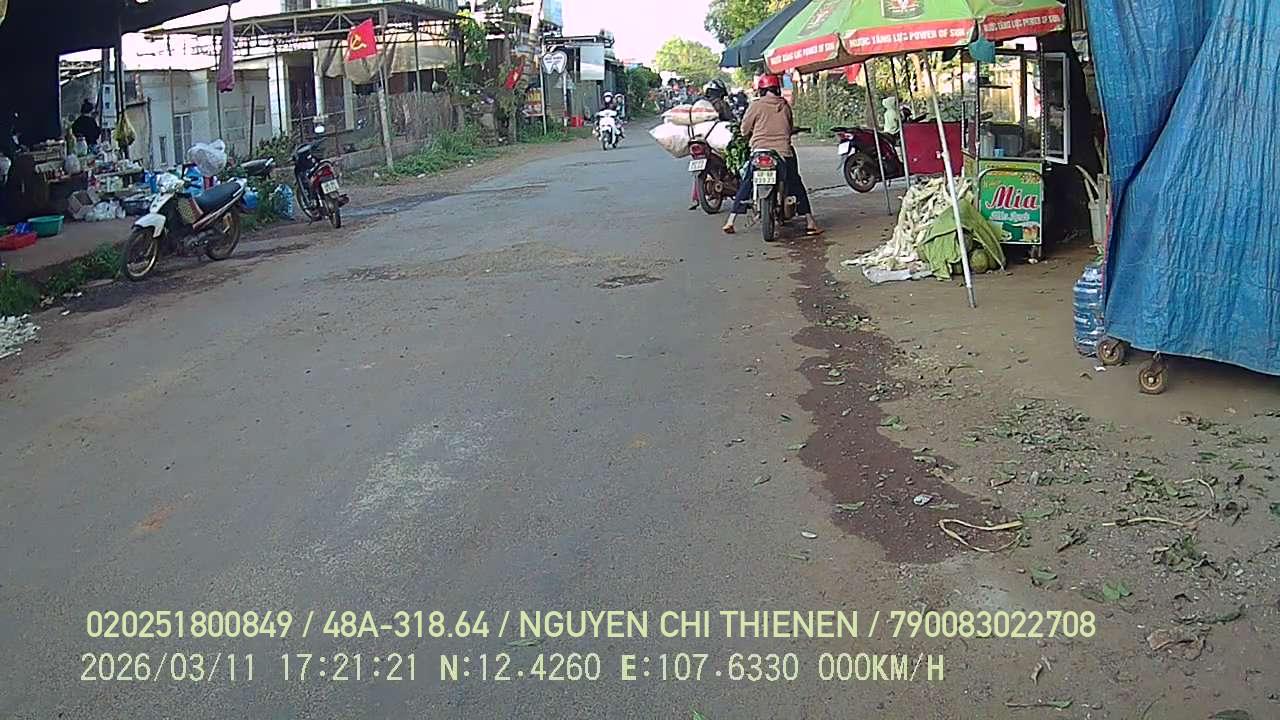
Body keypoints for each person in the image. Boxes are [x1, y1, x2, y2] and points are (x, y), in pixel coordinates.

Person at [722, 74, 822, 237]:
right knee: (795, 182)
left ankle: (731, 221)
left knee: (747, 181)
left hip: (759, 151)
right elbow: (789, 128)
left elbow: (744, 130)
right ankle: (810, 222)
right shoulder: (784, 105)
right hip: (782, 153)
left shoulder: (756, 106)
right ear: (777, 89)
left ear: (761, 90)